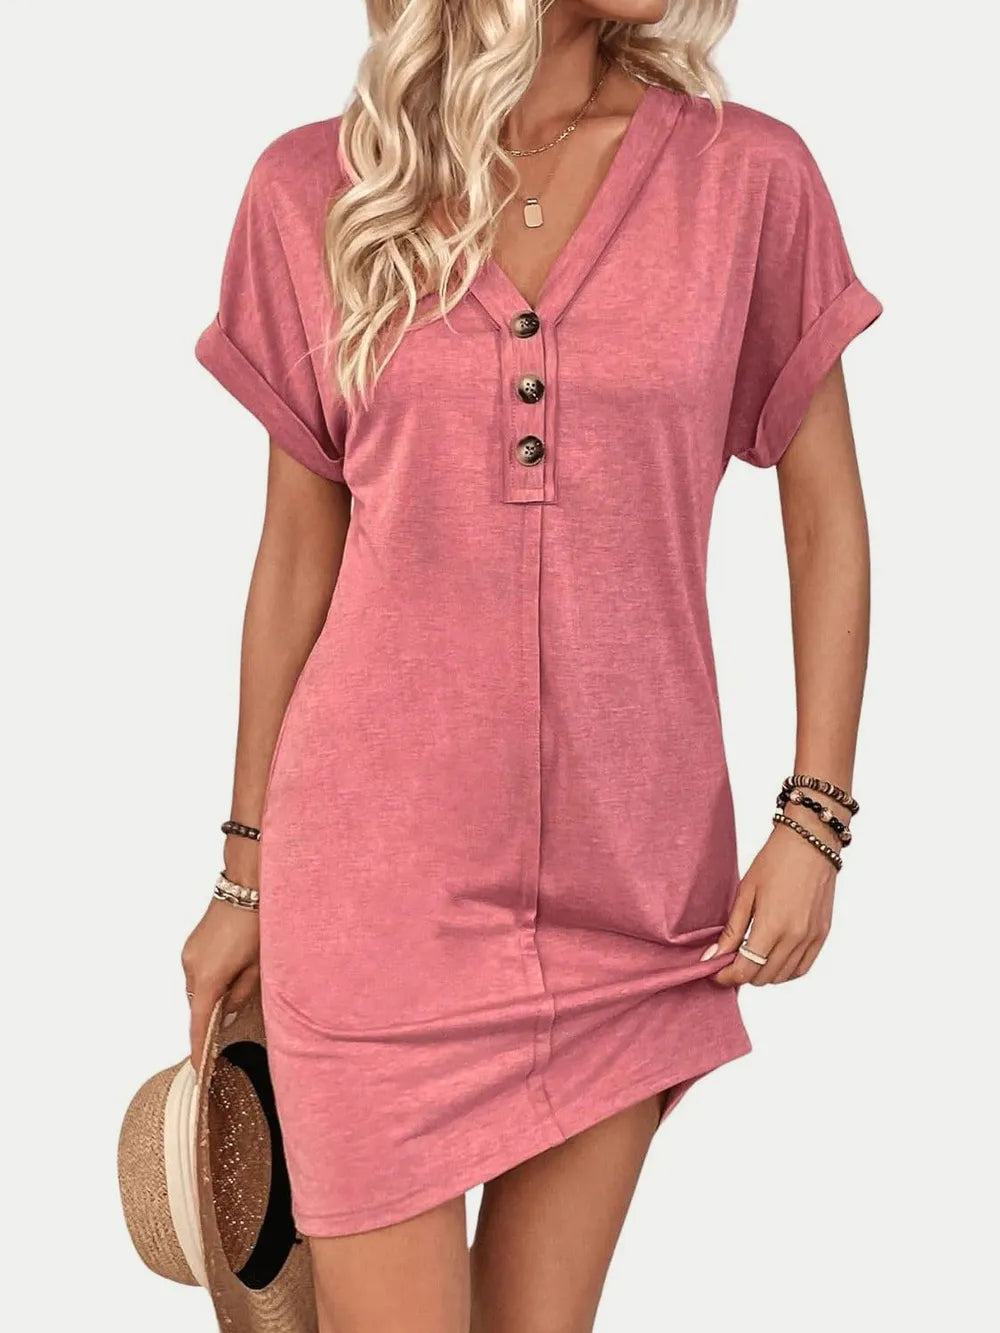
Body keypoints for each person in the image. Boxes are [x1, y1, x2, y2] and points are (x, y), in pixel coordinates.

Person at [183, 2, 881, 1329]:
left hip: (631, 897)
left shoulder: (748, 178)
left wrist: (817, 817)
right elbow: (293, 562)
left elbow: (826, 515)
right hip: (375, 901)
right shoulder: (312, 189)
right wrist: (242, 873)